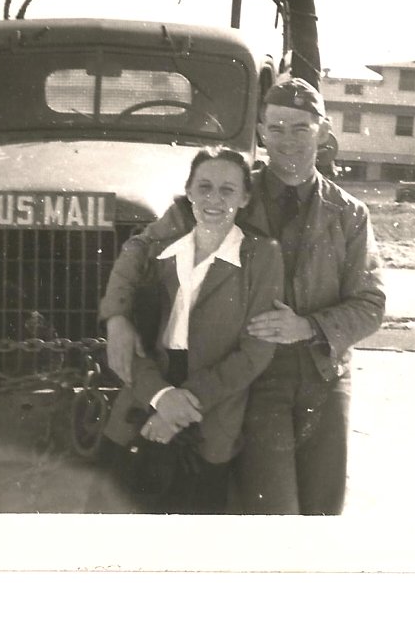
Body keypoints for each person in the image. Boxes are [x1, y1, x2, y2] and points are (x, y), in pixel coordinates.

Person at [101, 78, 385, 515]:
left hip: (324, 374)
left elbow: (371, 304)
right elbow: (140, 247)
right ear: (261, 133)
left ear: (325, 132)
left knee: (324, 508)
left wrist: (308, 326)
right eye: (277, 128)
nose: (287, 140)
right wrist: (117, 316)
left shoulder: (348, 213)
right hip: (255, 375)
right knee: (271, 507)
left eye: (301, 128)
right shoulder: (228, 189)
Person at [99, 147, 283, 514]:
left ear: (245, 198)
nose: (214, 199)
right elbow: (132, 344)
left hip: (212, 407)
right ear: (189, 191)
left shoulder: (263, 257)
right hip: (144, 393)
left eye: (228, 190)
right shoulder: (160, 249)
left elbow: (255, 353)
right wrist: (159, 396)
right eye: (205, 187)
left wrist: (177, 410)